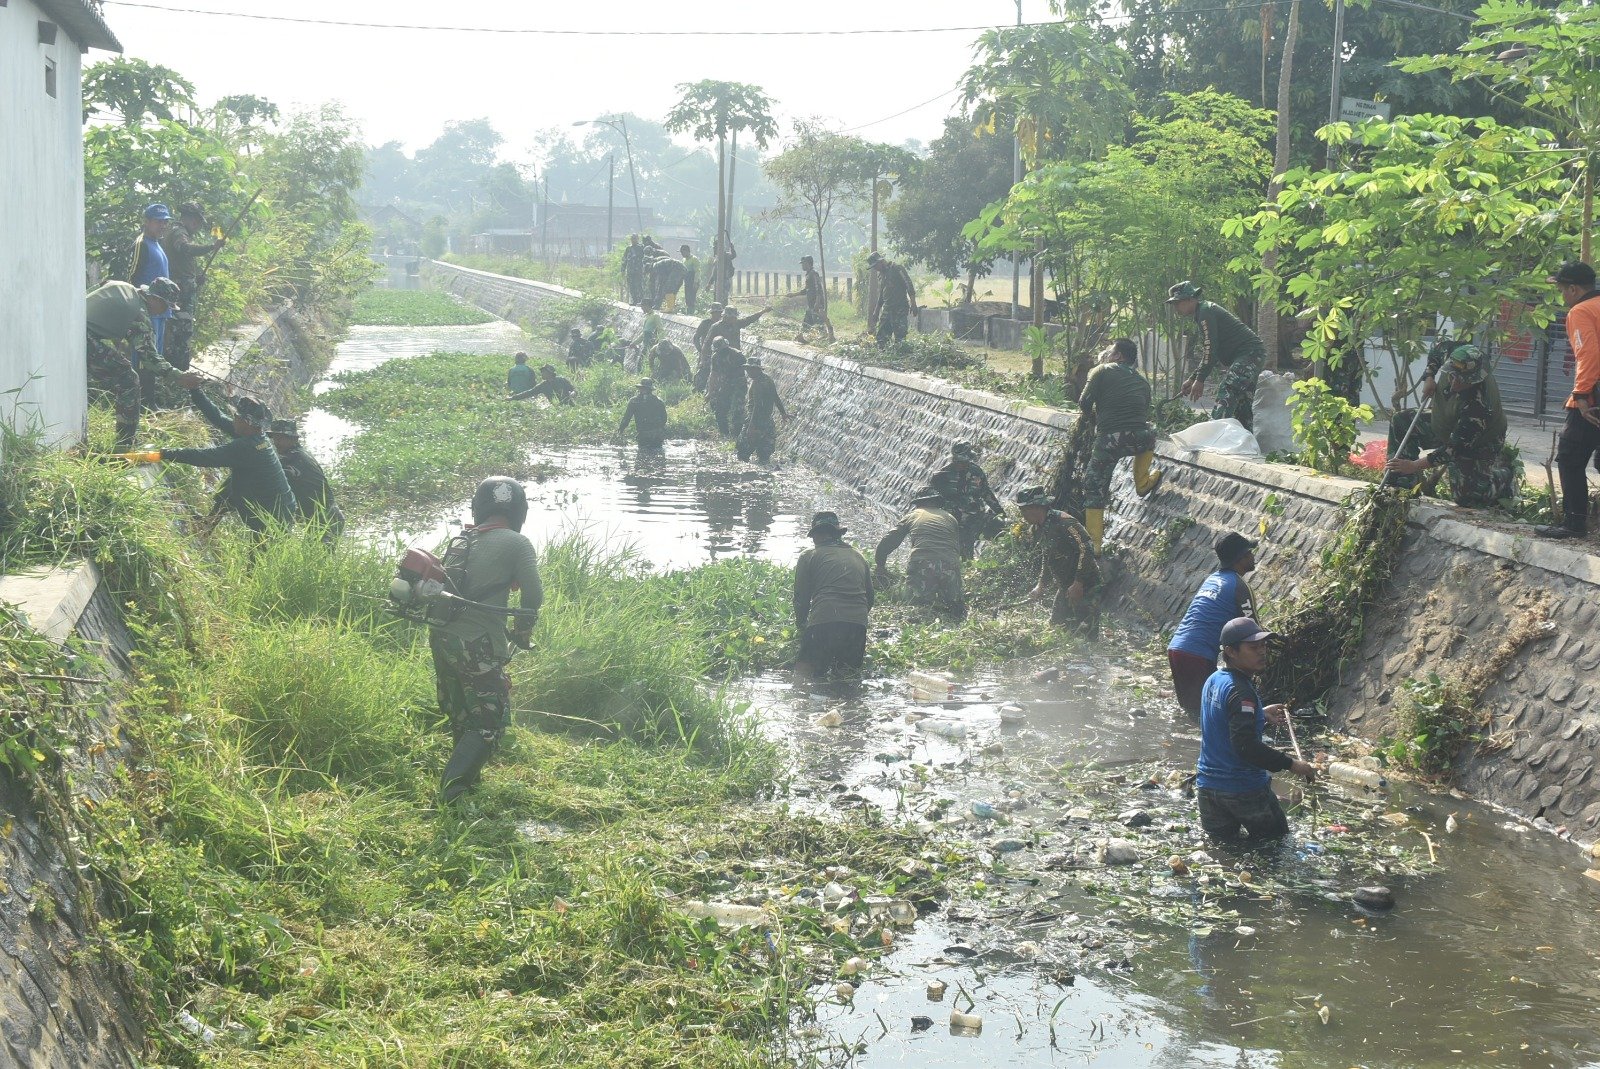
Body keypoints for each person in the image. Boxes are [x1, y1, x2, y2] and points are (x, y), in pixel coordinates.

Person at [428, 477, 541, 803]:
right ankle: (453, 793)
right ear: (519, 512)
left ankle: (468, 782)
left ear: (478, 509)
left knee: (463, 715)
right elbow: (534, 595)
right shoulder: (518, 544)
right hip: (477, 645)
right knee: (490, 722)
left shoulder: (463, 539)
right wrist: (524, 628)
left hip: (441, 638)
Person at [1196, 617, 1317, 843]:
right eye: (1253, 647)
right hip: (1243, 791)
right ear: (1231, 651)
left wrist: (1260, 714)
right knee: (1276, 847)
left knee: (1224, 853)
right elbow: (1246, 747)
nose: (1262, 652)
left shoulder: (1214, 679)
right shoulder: (1242, 692)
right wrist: (1292, 765)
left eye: (1263, 646)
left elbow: (1222, 724)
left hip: (1208, 790)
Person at [163, 373, 297, 535]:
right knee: (229, 490)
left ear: (245, 421)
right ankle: (208, 524)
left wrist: (164, 454)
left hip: (274, 515)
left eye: (236, 415)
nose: (233, 418)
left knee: (258, 554)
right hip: (277, 504)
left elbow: (203, 457)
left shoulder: (247, 447)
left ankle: (208, 527)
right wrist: (195, 390)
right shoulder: (255, 436)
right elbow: (218, 417)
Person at [1384, 341, 1514, 508]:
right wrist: (1429, 376)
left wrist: (1414, 466)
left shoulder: (1479, 406)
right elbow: (1438, 348)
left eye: (1461, 380)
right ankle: (1401, 487)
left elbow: (1454, 449)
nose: (1453, 384)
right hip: (1444, 422)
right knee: (1401, 421)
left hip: (1478, 441)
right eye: (1451, 376)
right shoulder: (1457, 355)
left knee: (1466, 497)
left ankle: (1504, 475)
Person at [1077, 337, 1163, 550]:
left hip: (1110, 441)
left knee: (1093, 486)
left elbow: (1084, 402)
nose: (1106, 353)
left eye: (1110, 351)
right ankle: (1143, 483)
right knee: (1148, 436)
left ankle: (1094, 546)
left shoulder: (1101, 370)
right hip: (1143, 439)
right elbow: (1142, 411)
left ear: (1118, 356)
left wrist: (1092, 420)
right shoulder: (1143, 382)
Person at [1537, 261, 1600, 539]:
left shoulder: (1581, 311)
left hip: (1593, 393)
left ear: (1574, 288)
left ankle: (1574, 525)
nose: (1563, 296)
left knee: (1570, 457)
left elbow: (1588, 354)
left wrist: (1581, 394)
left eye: (1563, 290)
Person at [1167, 532, 1258, 716]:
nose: (1253, 556)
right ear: (1241, 558)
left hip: (1177, 648)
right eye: (1250, 553)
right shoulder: (1239, 586)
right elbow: (1254, 631)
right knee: (1206, 714)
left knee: (1192, 712)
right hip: (1197, 655)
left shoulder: (1213, 579)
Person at [85, 278, 181, 448]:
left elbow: (101, 292)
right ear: (156, 300)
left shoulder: (121, 285)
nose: (165, 311)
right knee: (129, 379)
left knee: (116, 363)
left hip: (75, 324)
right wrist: (177, 376)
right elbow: (150, 358)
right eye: (166, 306)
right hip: (85, 337)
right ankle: (125, 443)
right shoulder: (140, 315)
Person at [1168, 280, 1266, 430]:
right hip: (1251, 354)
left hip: (1249, 353)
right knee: (1242, 402)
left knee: (1228, 389)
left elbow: (1210, 349)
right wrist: (1193, 377)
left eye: (1178, 303)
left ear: (1190, 299)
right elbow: (1210, 352)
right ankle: (1246, 443)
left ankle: (1213, 435)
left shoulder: (1205, 312)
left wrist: (1200, 380)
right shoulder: (1203, 312)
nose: (1176, 308)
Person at [792, 511, 874, 685]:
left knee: (804, 676)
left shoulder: (809, 555)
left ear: (817, 535)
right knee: (846, 679)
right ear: (837, 534)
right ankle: (851, 710)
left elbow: (801, 597)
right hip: (857, 626)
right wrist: (851, 618)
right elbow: (870, 598)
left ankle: (801, 708)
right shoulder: (858, 556)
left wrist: (801, 625)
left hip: (824, 620)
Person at [1015, 486, 1100, 633]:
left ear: (1035, 507)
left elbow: (1086, 550)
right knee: (1056, 629)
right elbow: (1047, 558)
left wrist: (1078, 583)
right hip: (1065, 586)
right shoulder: (1037, 529)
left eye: (1024, 510)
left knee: (1086, 634)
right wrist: (1041, 585)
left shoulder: (1065, 523)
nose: (1022, 515)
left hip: (1086, 585)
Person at [873, 486, 965, 616]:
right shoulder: (950, 518)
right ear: (937, 502)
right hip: (950, 564)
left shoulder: (915, 515)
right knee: (955, 609)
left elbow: (889, 541)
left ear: (919, 503)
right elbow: (956, 546)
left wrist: (880, 564)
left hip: (923, 563)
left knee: (916, 608)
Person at [163, 203, 225, 372]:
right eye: (197, 221)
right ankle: (179, 374)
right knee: (180, 334)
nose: (197, 226)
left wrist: (195, 279)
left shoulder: (175, 231)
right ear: (191, 219)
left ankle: (178, 373)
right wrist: (211, 247)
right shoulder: (178, 232)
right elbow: (185, 248)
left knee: (180, 333)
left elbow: (180, 263)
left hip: (183, 288)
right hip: (180, 293)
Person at [268, 419, 345, 541]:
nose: (277, 442)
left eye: (281, 438)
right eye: (275, 438)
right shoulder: (297, 454)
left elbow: (270, 472)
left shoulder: (295, 458)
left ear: (294, 439)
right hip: (320, 520)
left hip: (326, 520)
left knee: (317, 557)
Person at [930, 442, 1005, 560]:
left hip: (977, 517)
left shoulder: (976, 472)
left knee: (1003, 527)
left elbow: (986, 493)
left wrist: (1000, 512)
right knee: (964, 555)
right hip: (955, 522)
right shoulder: (941, 477)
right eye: (959, 462)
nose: (963, 465)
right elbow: (933, 502)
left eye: (965, 462)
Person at [129, 204, 173, 360]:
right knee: (145, 359)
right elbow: (131, 278)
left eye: (165, 222)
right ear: (146, 221)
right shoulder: (141, 244)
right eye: (158, 221)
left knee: (157, 357)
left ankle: (154, 384)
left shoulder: (157, 244)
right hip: (147, 312)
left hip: (161, 310)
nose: (163, 225)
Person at [736, 356, 787, 464]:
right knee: (764, 454)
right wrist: (783, 413)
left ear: (757, 369)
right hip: (767, 420)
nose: (748, 371)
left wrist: (751, 426)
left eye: (751, 369)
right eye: (747, 369)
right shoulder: (768, 380)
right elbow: (775, 397)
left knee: (743, 451)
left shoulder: (757, 384)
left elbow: (757, 405)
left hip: (755, 419)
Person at [867, 252, 918, 345]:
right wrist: (876, 311)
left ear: (881, 261)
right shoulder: (881, 275)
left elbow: (909, 285)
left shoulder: (897, 269)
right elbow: (882, 295)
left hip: (900, 308)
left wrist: (913, 303)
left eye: (875, 266)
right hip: (887, 310)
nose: (875, 269)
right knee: (881, 339)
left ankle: (901, 355)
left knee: (900, 338)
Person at [706, 337, 748, 438]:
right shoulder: (715, 357)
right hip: (725, 386)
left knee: (737, 411)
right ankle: (724, 434)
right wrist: (710, 392)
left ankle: (737, 436)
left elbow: (745, 372)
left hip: (738, 386)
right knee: (720, 410)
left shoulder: (737, 355)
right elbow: (714, 375)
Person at [617, 378, 669, 451]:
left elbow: (626, 419)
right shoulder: (658, 401)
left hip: (650, 436)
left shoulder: (635, 401)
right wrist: (621, 430)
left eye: (644, 388)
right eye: (642, 388)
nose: (643, 390)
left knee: (645, 455)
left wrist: (620, 431)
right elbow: (664, 419)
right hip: (650, 435)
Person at [795, 254, 832, 343]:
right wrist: (793, 294)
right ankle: (805, 338)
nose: (802, 266)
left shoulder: (814, 274)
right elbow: (806, 290)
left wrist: (817, 302)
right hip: (811, 304)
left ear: (808, 263)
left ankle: (826, 338)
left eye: (803, 264)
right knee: (806, 324)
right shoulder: (808, 274)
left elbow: (818, 289)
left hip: (816, 304)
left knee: (819, 325)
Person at [692, 302, 725, 391]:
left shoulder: (723, 324)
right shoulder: (705, 323)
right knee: (702, 374)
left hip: (719, 354)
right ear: (712, 313)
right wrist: (701, 350)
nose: (717, 315)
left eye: (719, 313)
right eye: (715, 313)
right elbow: (696, 338)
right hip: (706, 354)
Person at [622, 234, 646, 305]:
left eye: (635, 238)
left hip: (639, 271)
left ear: (638, 239)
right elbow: (624, 260)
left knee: (639, 286)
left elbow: (646, 258)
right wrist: (622, 270)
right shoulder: (628, 248)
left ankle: (642, 301)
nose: (633, 240)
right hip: (630, 271)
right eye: (632, 238)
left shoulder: (641, 248)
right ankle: (634, 301)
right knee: (631, 286)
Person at [680, 244, 700, 315]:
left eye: (682, 252)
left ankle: (691, 313)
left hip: (693, 281)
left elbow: (697, 271)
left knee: (692, 297)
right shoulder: (683, 260)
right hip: (687, 281)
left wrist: (695, 282)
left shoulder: (694, 259)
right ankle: (688, 312)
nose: (681, 254)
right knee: (687, 298)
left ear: (687, 251)